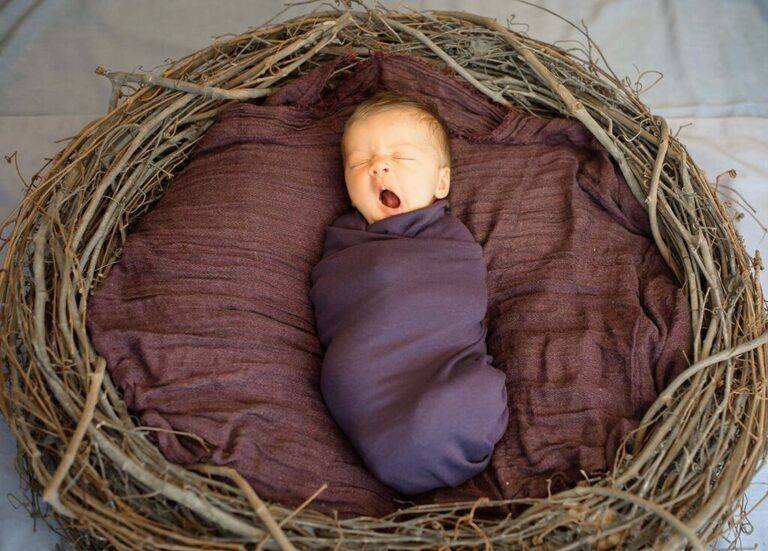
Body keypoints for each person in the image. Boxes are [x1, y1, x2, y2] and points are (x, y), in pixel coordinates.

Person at [310, 90, 509, 495]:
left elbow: (458, 301)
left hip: (440, 364)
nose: (379, 167)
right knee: (417, 429)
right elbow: (336, 298)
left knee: (449, 413)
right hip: (368, 383)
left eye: (400, 157)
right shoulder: (343, 246)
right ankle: (400, 442)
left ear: (441, 181)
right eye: (360, 162)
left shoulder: (450, 244)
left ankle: (426, 437)